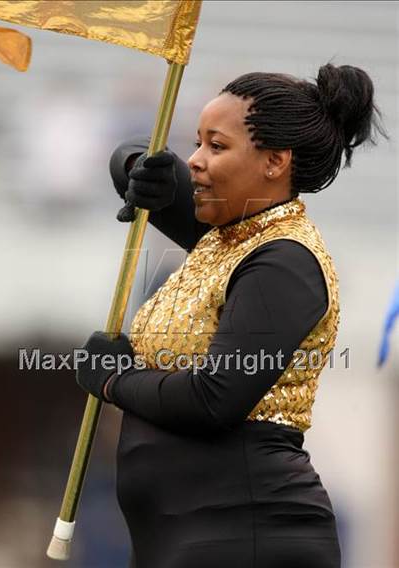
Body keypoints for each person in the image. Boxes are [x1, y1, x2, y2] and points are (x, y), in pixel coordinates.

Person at [76, 63, 385, 568]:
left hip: (246, 536)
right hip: (186, 540)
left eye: (215, 147)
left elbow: (213, 397)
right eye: (196, 144)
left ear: (275, 162)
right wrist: (136, 163)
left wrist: (114, 380)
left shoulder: (284, 261)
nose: (194, 161)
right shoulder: (223, 238)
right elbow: (132, 158)